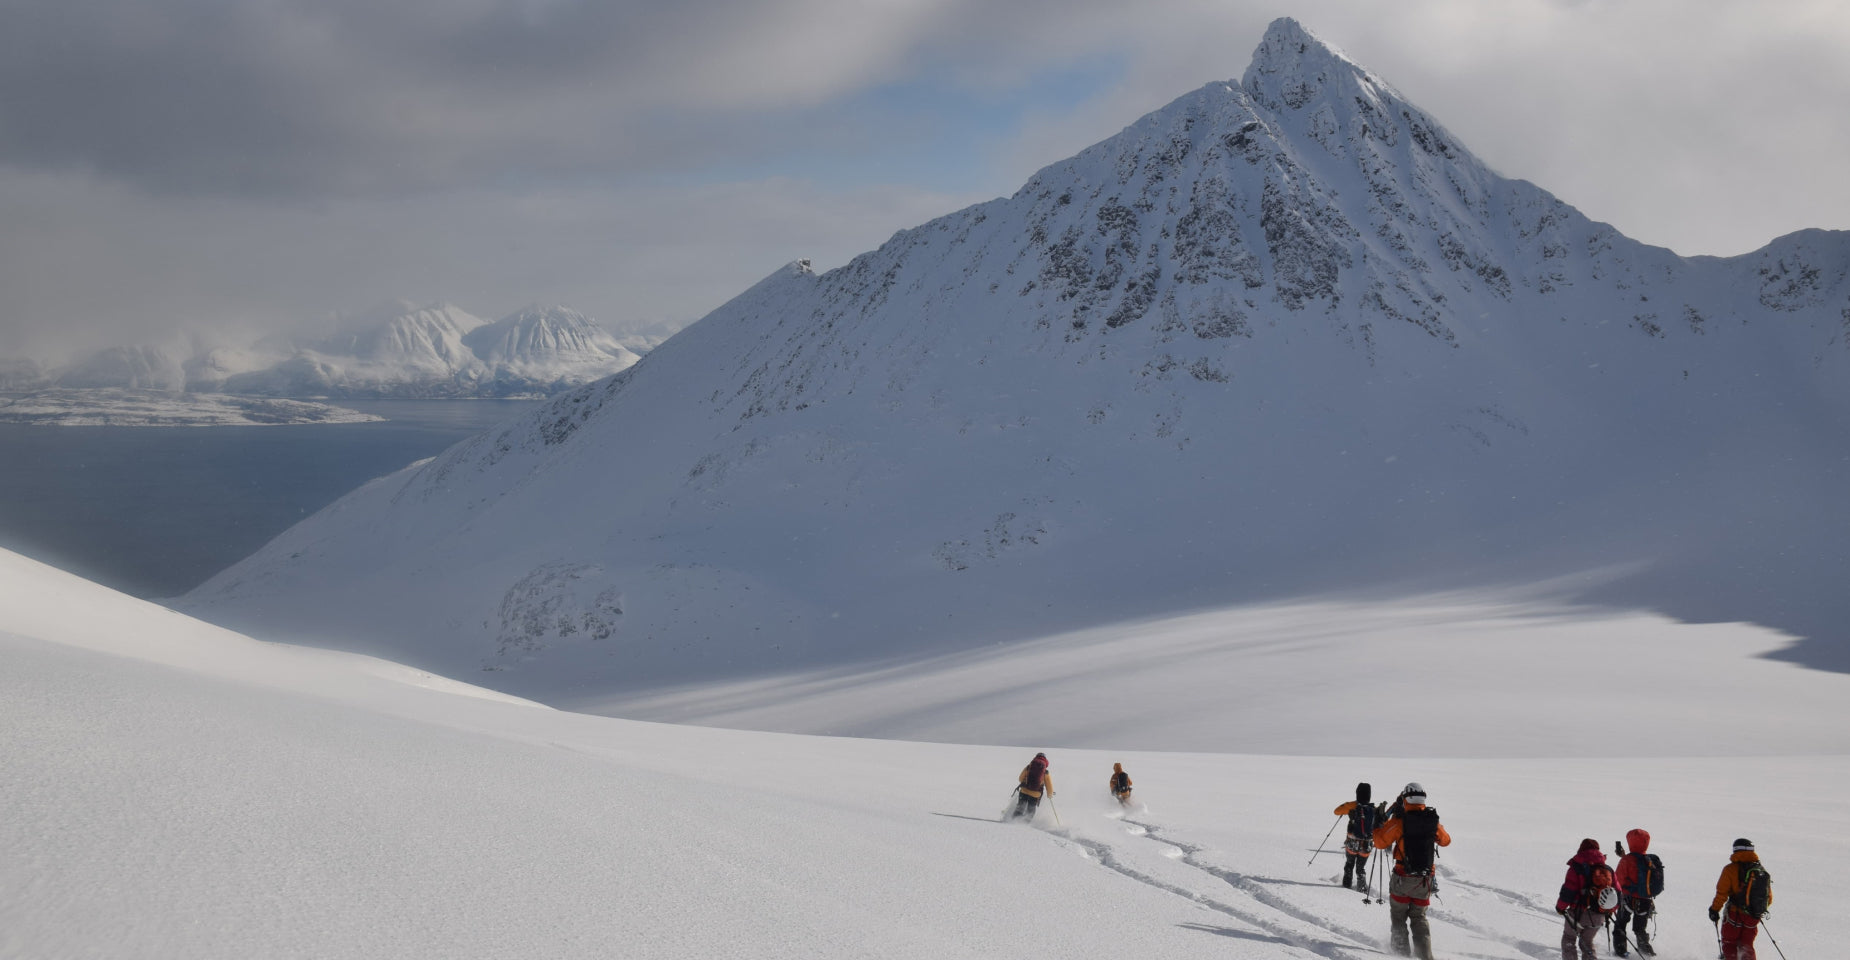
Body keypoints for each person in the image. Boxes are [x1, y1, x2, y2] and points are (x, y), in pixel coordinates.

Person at [1372, 782, 1449, 960]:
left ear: (1405, 798)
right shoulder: (1431, 821)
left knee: (1398, 918)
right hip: (1424, 881)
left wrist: (1377, 825)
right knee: (1419, 919)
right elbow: (1446, 841)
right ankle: (1425, 957)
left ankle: (1401, 956)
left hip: (1402, 879)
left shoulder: (1398, 823)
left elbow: (1379, 843)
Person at [1709, 839, 1772, 960]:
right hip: (1753, 917)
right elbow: (1769, 898)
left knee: (1729, 943)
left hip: (1734, 915)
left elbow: (1722, 893)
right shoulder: (1761, 871)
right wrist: (1753, 909)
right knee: (1747, 946)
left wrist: (1714, 909)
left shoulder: (1730, 869)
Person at [1556, 838, 1619, 960]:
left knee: (1569, 940)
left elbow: (1568, 890)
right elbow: (1618, 894)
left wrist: (1560, 907)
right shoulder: (1607, 870)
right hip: (1599, 915)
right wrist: (1609, 909)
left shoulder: (1576, 867)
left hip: (1577, 915)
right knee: (1587, 942)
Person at [1613, 829, 1661, 957]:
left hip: (1628, 899)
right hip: (1645, 900)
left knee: (1620, 925)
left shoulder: (1627, 860)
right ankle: (1647, 953)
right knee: (1640, 929)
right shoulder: (1648, 859)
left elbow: (1618, 879)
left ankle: (1621, 952)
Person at [1333, 782, 1382, 890]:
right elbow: (1383, 823)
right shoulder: (1374, 809)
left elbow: (1336, 811)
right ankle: (1362, 889)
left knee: (1349, 865)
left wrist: (1347, 805)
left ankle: (1346, 888)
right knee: (1361, 869)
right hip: (1366, 844)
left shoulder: (1352, 806)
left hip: (1352, 842)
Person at [1008, 752, 1053, 822]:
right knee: (1030, 811)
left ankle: (1012, 822)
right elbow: (1049, 786)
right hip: (1035, 794)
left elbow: (1020, 778)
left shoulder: (1029, 767)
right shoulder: (1045, 772)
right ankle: (1025, 825)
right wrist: (1050, 795)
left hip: (1024, 791)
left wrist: (1025, 782)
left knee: (1020, 808)